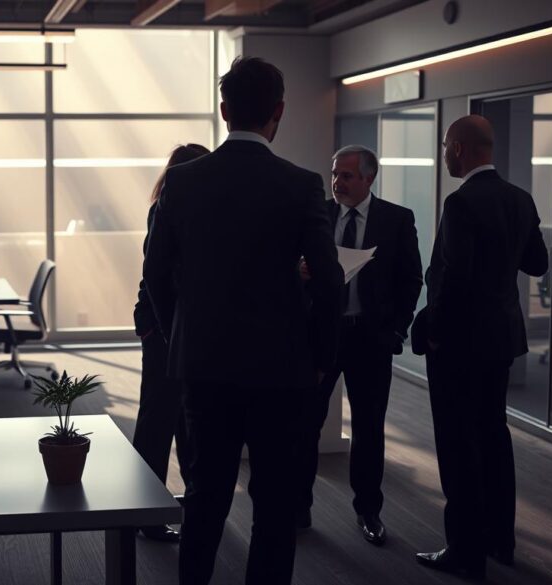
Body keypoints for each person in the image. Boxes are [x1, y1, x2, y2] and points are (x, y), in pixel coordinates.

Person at [144, 56, 343, 585]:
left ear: (224, 109)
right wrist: (321, 358)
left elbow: (156, 274)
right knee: (275, 506)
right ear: (279, 111)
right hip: (282, 370)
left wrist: (181, 334)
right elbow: (329, 281)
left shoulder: (182, 183)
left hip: (204, 366)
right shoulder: (301, 184)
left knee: (204, 496)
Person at [412, 115, 548, 579]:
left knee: (457, 445)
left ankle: (465, 552)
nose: (444, 154)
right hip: (501, 340)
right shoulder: (520, 199)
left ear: (460, 148)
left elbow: (454, 278)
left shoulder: (461, 202)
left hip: (459, 344)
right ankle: (500, 541)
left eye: (445, 146)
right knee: (493, 436)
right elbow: (537, 263)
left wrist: (432, 330)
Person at [296, 145, 423, 542]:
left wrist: (396, 331)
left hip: (370, 338)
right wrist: (298, 271)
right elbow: (289, 262)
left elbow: (411, 279)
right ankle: (298, 507)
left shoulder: (396, 220)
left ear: (369, 178)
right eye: (335, 174)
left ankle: (368, 510)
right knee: (306, 422)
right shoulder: (317, 214)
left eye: (347, 176)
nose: (337, 182)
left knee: (369, 427)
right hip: (320, 335)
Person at [132, 143, 211, 543]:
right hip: (165, 330)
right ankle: (145, 512)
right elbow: (158, 276)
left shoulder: (197, 209)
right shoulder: (166, 209)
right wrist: (156, 330)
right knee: (158, 422)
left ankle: (193, 503)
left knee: (187, 421)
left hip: (187, 330)